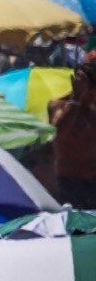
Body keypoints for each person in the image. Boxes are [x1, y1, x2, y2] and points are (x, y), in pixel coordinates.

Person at [49, 59, 96, 207]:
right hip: (69, 182)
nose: (91, 98)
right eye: (90, 94)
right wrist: (77, 98)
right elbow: (58, 132)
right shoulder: (59, 106)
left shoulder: (93, 110)